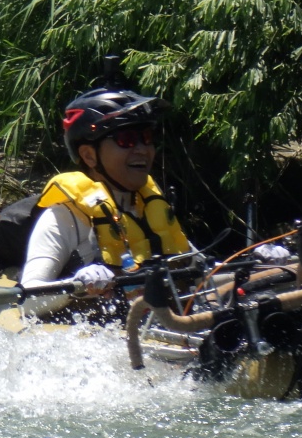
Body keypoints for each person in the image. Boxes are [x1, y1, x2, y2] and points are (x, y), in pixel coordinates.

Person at [21, 78, 192, 307]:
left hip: (164, 321)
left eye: (147, 138)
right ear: (89, 156)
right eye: (126, 140)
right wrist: (77, 287)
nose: (143, 149)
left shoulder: (151, 204)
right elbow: (27, 304)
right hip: (104, 326)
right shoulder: (63, 218)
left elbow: (199, 270)